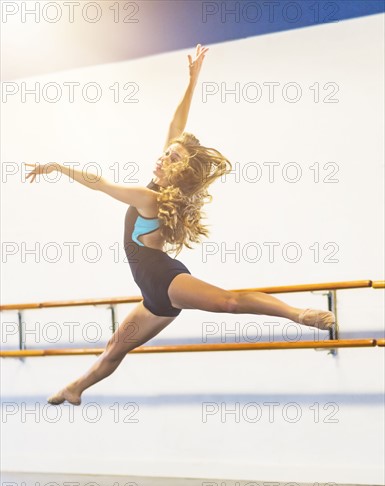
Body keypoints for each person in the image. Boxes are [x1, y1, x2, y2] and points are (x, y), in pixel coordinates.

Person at [25, 44, 335, 406]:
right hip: (153, 296)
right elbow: (177, 126)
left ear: (181, 169)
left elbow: (102, 184)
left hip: (165, 280)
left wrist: (60, 168)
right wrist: (193, 80)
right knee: (114, 349)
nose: (163, 156)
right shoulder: (162, 189)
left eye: (172, 157)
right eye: (165, 152)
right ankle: (74, 388)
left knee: (229, 303)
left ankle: (300, 315)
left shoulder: (151, 198)